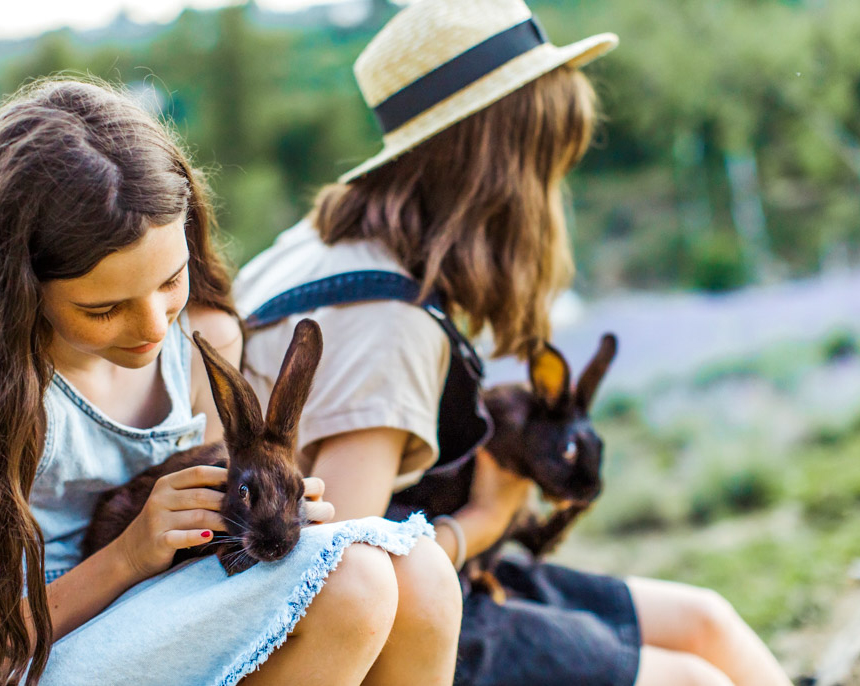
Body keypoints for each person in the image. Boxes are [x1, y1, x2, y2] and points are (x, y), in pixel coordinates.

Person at [234, 1, 794, 685]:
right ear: (499, 176)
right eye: (549, 166)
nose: (555, 195)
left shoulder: (317, 245)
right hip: (409, 634)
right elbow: (335, 581)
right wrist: (487, 515)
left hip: (446, 574)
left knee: (706, 620)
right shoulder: (390, 321)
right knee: (692, 680)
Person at [0, 77, 462, 686]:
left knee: (421, 574)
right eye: (104, 309)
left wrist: (279, 514)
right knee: (352, 584)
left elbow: (203, 549)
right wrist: (129, 555)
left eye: (172, 280)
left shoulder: (204, 343)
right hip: (21, 660)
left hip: (147, 619)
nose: (152, 326)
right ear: (20, 291)